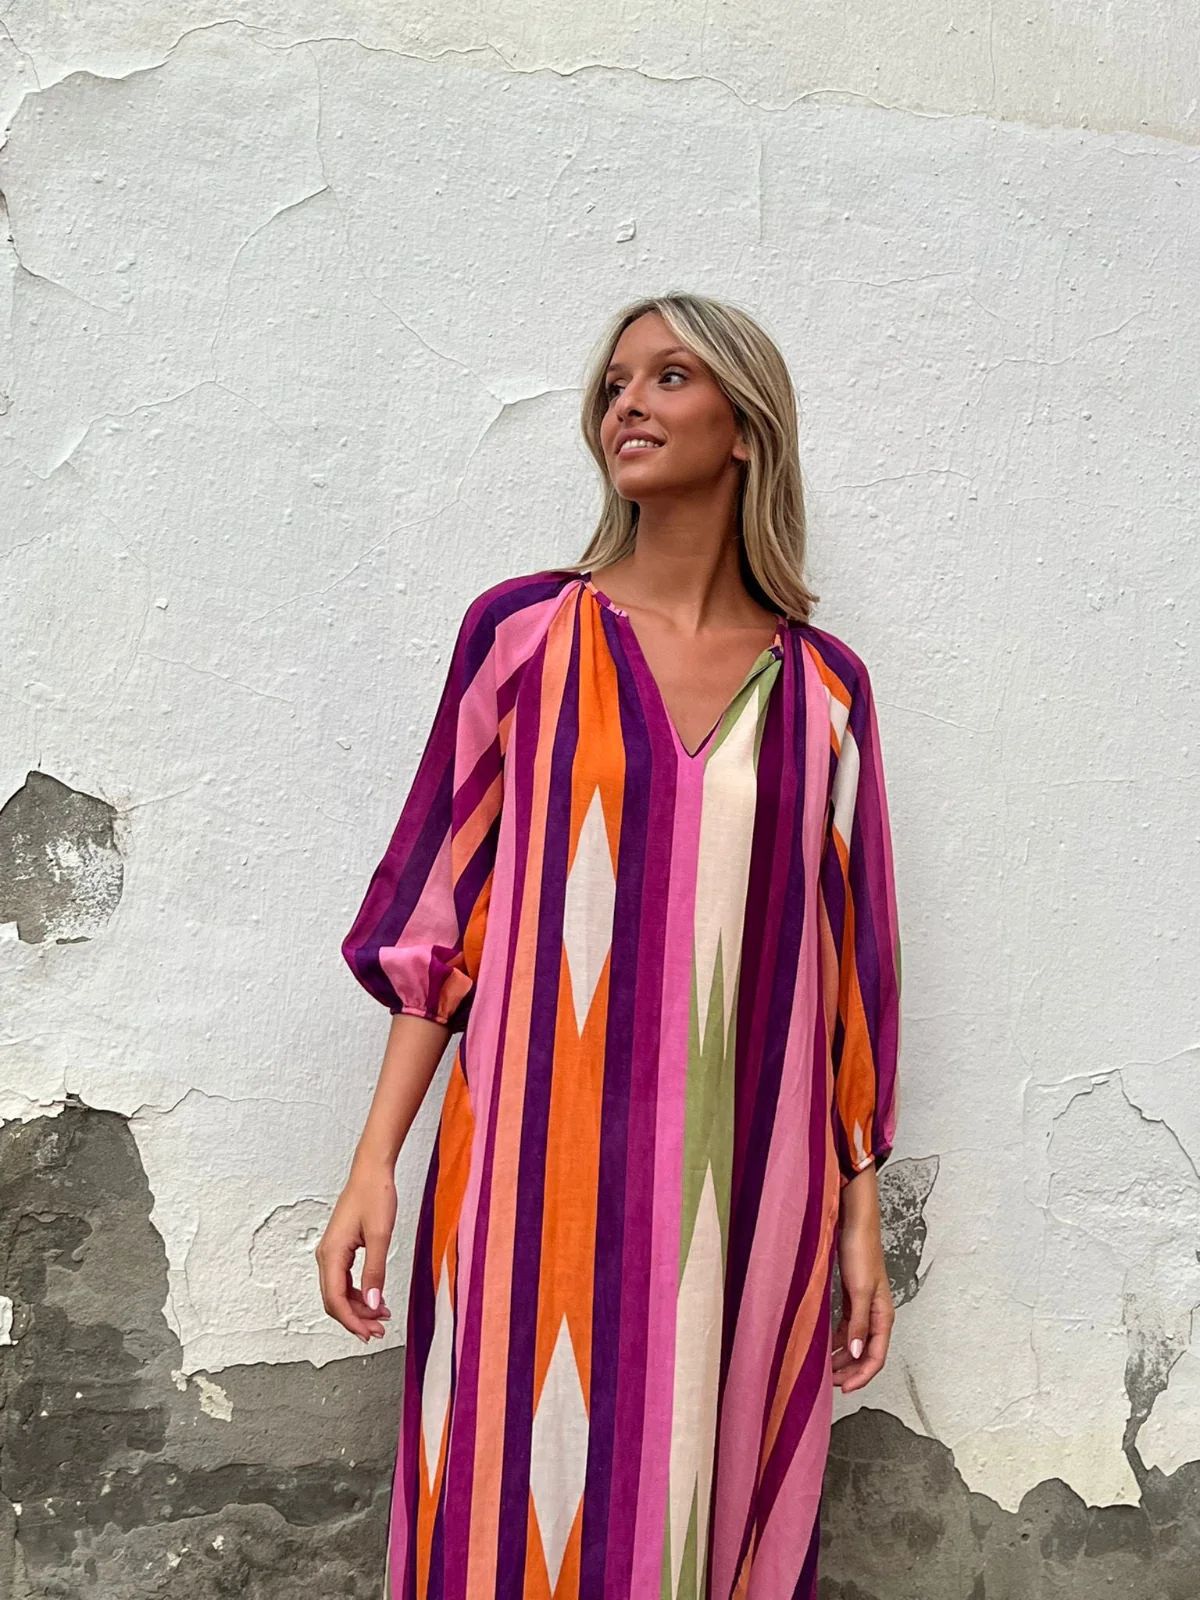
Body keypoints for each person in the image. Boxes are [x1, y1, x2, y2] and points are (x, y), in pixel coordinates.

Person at [317, 290, 902, 1599]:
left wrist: (861, 1211)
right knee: (505, 1501)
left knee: (701, 1509)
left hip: (747, 1189)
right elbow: (440, 915)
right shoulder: (524, 636)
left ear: (745, 426)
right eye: (614, 384)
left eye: (669, 376)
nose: (626, 402)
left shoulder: (825, 691)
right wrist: (374, 1162)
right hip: (531, 1169)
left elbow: (851, 966)